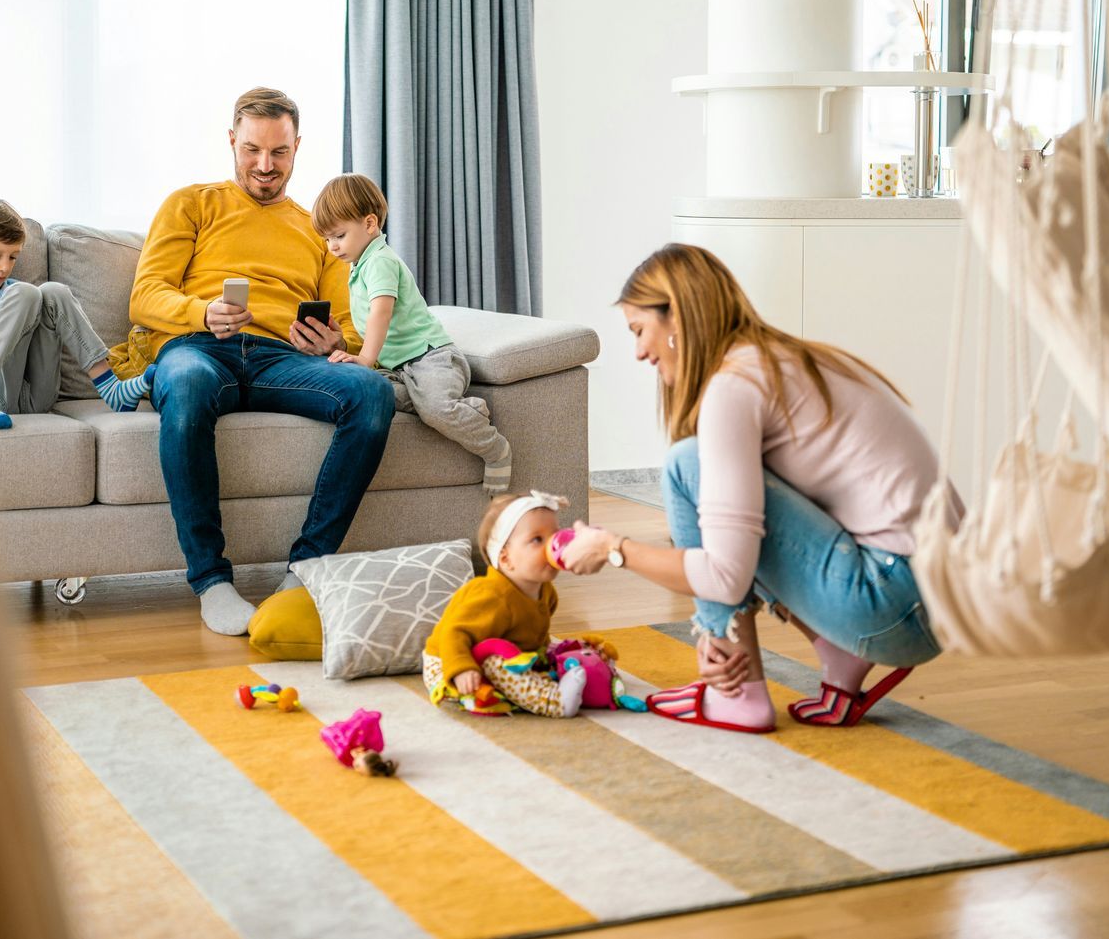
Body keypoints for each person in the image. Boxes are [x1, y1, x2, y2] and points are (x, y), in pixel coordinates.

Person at [559, 244, 960, 731]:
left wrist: (611, 547)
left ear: (678, 321)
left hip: (895, 601)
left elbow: (727, 575)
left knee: (688, 464)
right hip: (938, 597)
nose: (639, 351)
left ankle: (737, 694)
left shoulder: (734, 385)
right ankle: (837, 654)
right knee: (725, 496)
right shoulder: (777, 360)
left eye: (639, 330)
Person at [111, 89, 396, 635]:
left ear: (297, 148)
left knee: (372, 392)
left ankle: (305, 569)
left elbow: (352, 325)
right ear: (231, 141)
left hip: (280, 359)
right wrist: (203, 311)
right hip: (197, 348)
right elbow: (145, 296)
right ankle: (211, 581)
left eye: (279, 153)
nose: (265, 166)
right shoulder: (191, 203)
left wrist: (332, 340)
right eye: (252, 150)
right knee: (189, 384)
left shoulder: (318, 229)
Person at [311, 173, 513, 492]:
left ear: (369, 223)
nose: (332, 247)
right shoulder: (360, 264)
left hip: (431, 359)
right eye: (327, 240)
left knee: (433, 409)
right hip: (403, 370)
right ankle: (465, 410)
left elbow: (381, 311)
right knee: (373, 395)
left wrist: (365, 359)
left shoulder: (379, 261)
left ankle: (494, 449)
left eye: (338, 235)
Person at [0, 194, 149, 430]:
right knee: (26, 292)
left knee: (52, 291)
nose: (5, 267)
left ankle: (110, 386)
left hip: (32, 398)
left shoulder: (17, 294)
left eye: (13, 257)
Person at [422, 491, 587, 718]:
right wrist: (462, 669)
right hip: (448, 662)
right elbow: (454, 633)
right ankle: (555, 701)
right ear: (506, 558)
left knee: (562, 651)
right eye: (537, 540)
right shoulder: (492, 596)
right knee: (496, 663)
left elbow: (536, 632)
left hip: (501, 650)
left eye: (555, 536)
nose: (551, 547)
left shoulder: (546, 591)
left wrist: (542, 660)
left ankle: (549, 679)